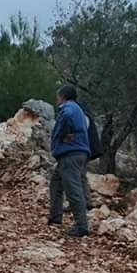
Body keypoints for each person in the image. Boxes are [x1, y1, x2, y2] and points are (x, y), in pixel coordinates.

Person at [48, 85, 91, 237]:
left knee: (73, 189)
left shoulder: (68, 109)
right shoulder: (78, 109)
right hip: (76, 153)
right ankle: (55, 217)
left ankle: (81, 226)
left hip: (70, 154)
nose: (56, 100)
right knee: (56, 182)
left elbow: (65, 119)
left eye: (57, 96)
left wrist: (61, 136)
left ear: (63, 96)